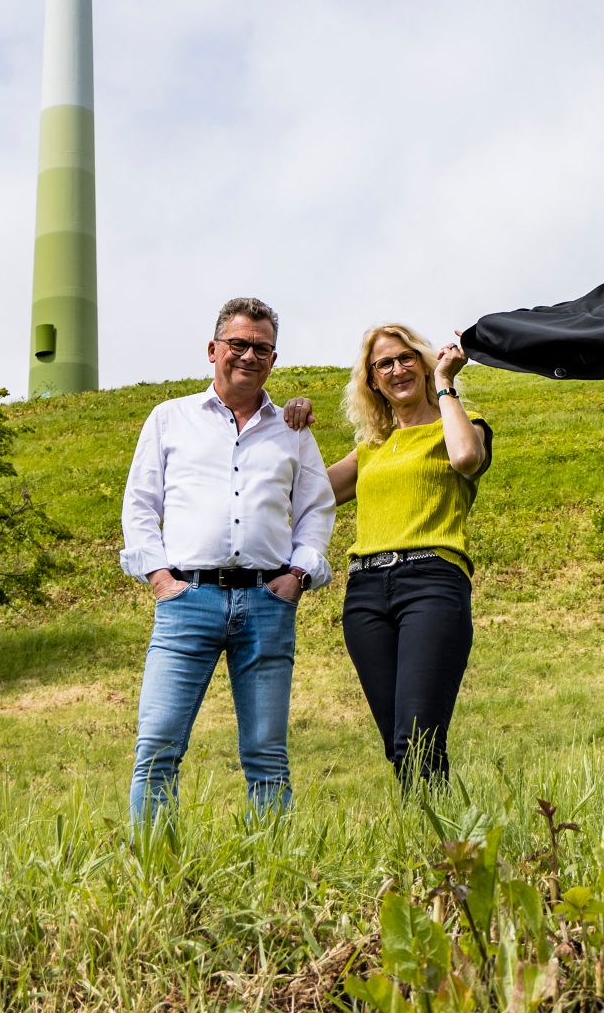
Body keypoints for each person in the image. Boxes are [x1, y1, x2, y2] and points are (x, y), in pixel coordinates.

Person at [118, 295, 335, 823]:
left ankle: (272, 879)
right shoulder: (170, 419)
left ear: (274, 359)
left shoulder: (292, 430)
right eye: (237, 344)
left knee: (267, 756)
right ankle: (154, 873)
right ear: (213, 349)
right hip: (187, 601)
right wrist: (159, 576)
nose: (249, 355)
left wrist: (298, 574)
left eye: (262, 348)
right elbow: (140, 504)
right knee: (158, 749)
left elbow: (317, 507)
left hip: (267, 601)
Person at [328, 324, 490, 788]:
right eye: (384, 364)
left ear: (421, 363)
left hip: (432, 583)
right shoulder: (370, 451)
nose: (397, 370)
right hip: (364, 594)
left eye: (405, 358)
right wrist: (290, 427)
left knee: (418, 737)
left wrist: (446, 383)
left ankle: (438, 848)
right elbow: (302, 494)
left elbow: (464, 459)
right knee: (398, 745)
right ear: (373, 382)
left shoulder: (460, 422)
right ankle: (430, 845)